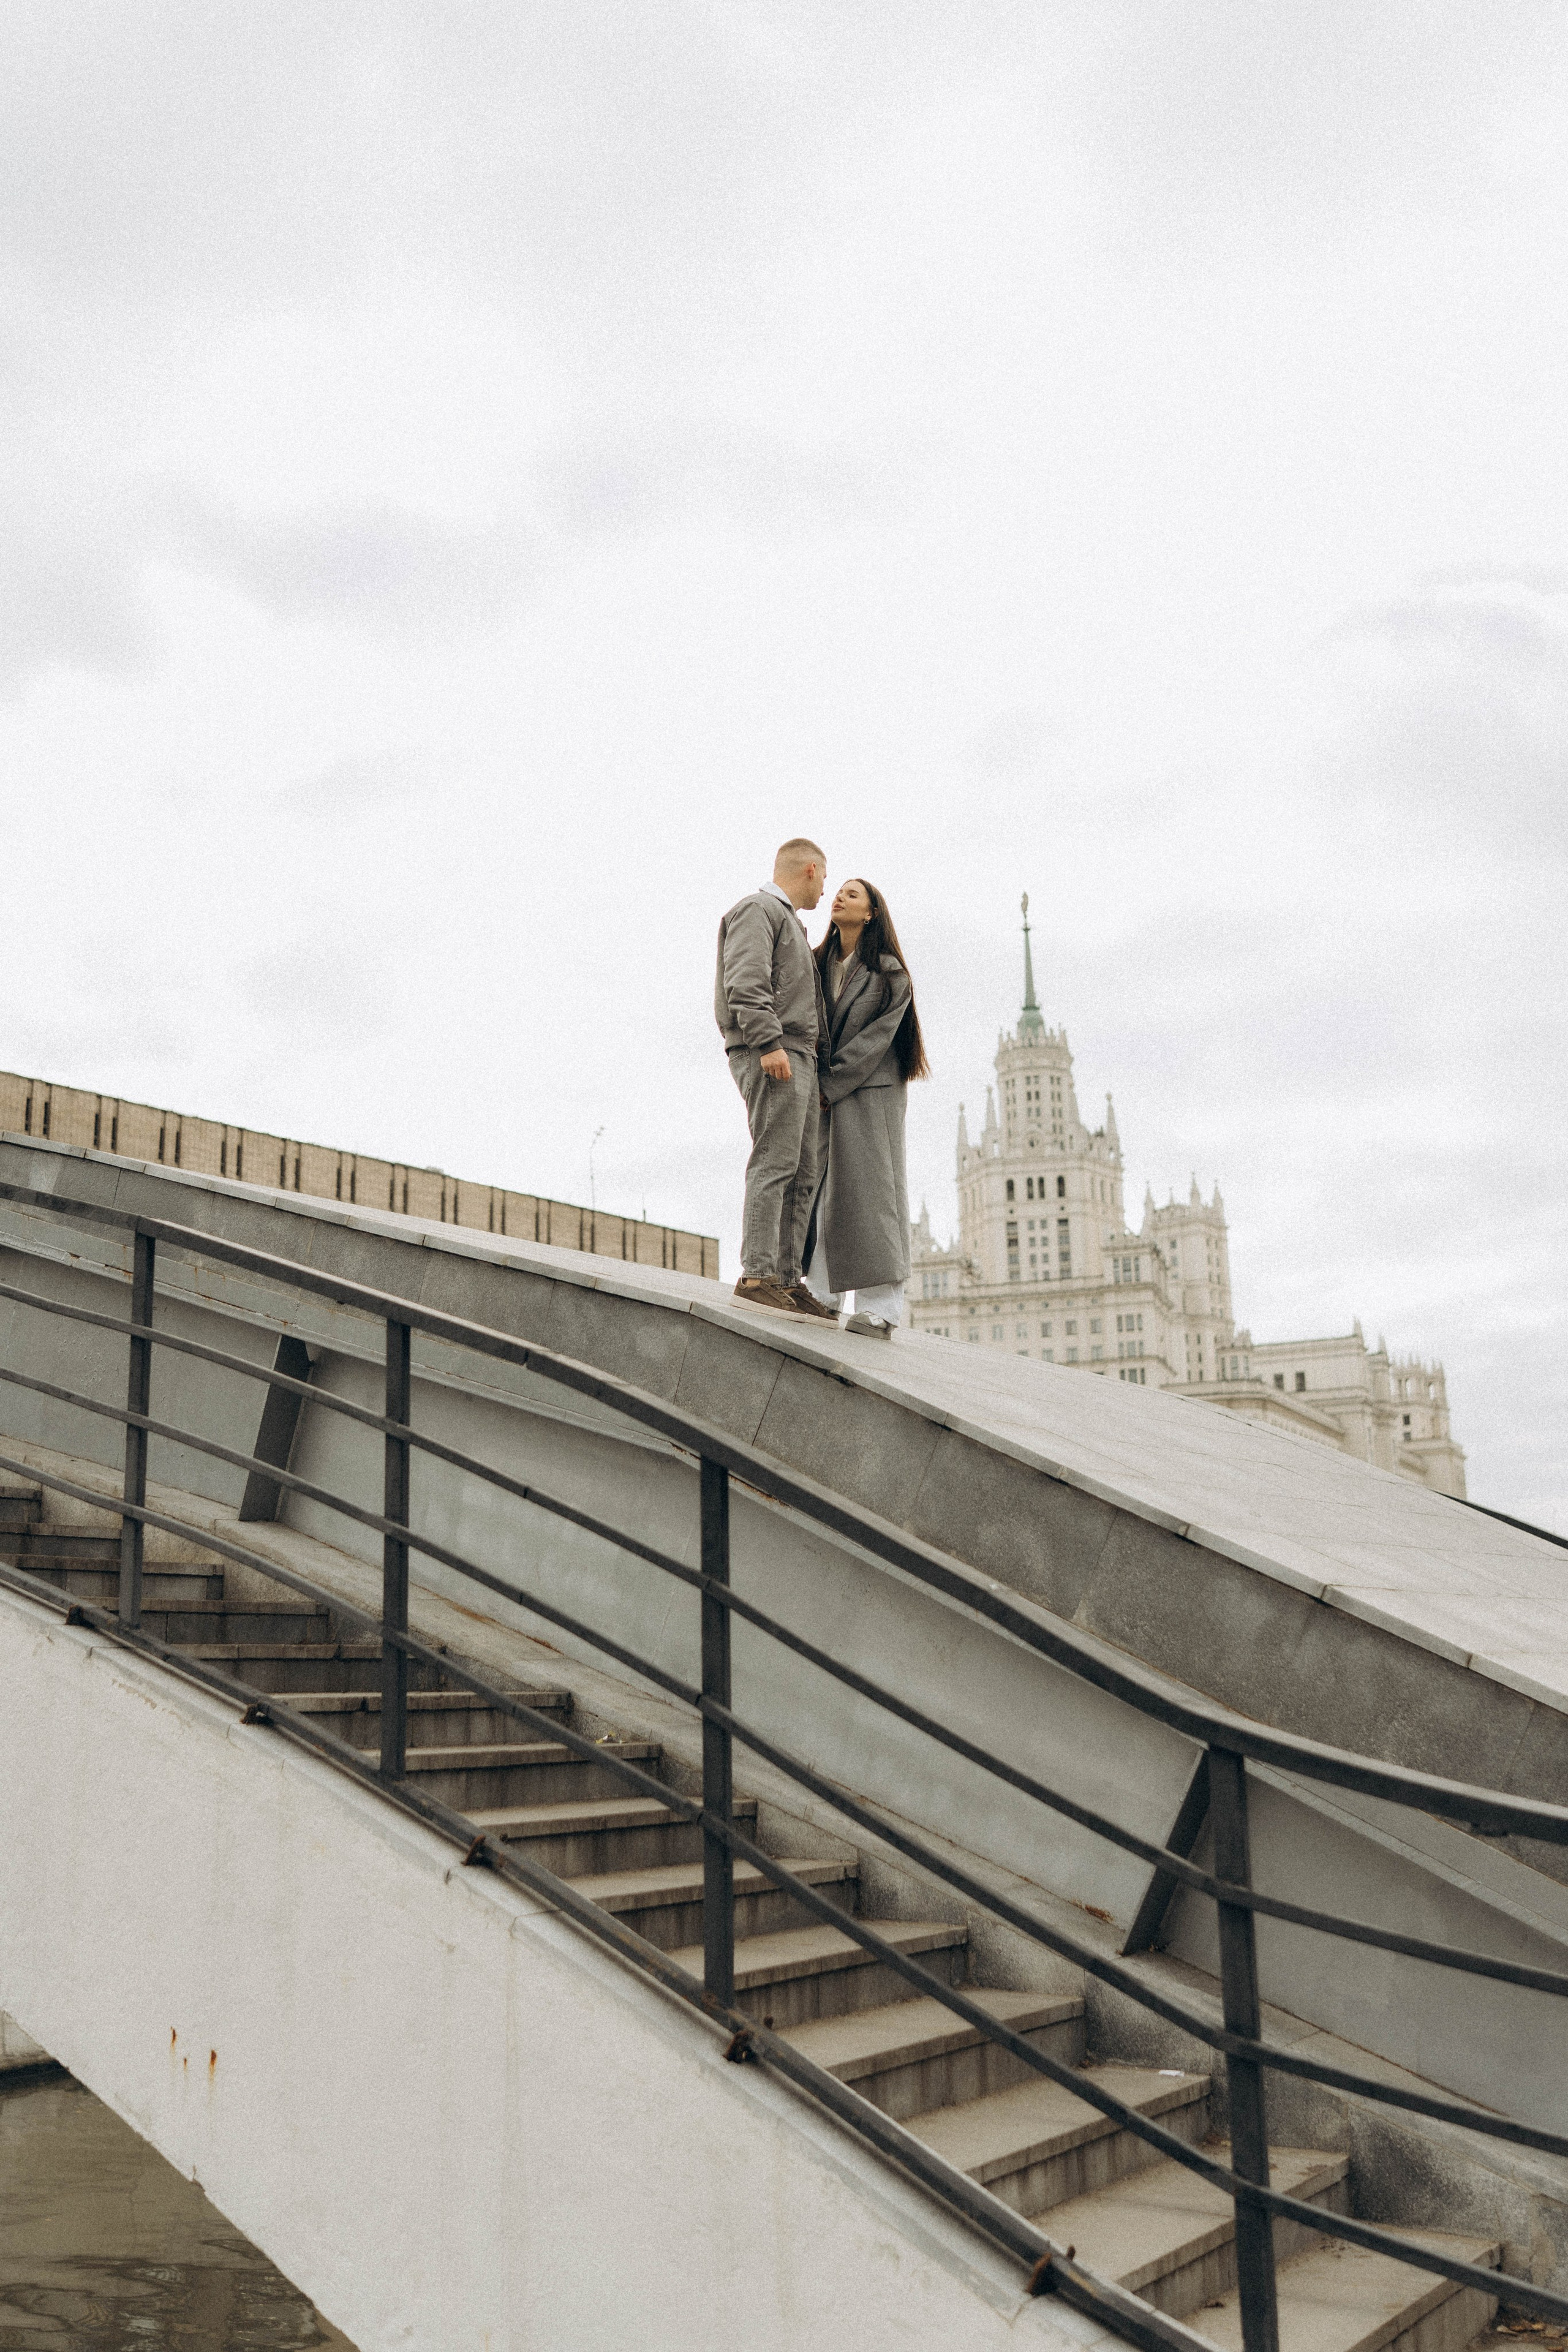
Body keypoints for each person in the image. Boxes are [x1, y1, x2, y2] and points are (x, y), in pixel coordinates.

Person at [714, 840, 840, 1319]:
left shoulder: (789, 922)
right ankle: (758, 1274)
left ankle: (787, 1280)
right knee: (775, 1160)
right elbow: (745, 982)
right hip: (775, 1051)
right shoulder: (758, 909)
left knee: (804, 1171)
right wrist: (768, 1044)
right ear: (811, 869)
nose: (826, 888)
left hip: (800, 1056)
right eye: (825, 878)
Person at [804, 878, 929, 1337]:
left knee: (873, 1195)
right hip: (826, 1093)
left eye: (852, 894)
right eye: (838, 891)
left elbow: (876, 1041)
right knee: (823, 1191)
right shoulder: (816, 964)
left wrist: (828, 1083)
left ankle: (882, 1308)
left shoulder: (889, 972)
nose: (839, 897)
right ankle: (821, 1295)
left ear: (872, 912)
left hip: (870, 1092)